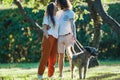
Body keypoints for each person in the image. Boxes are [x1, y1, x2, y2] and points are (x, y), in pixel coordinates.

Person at [37, 2, 59, 79]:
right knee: (45, 57)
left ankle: (51, 75)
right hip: (49, 37)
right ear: (51, 8)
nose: (56, 7)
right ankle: (40, 74)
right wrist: (47, 37)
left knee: (53, 58)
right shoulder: (47, 16)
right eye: (55, 7)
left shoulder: (58, 17)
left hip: (56, 39)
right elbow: (44, 28)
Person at [56, 0, 76, 78]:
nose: (56, 4)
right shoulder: (58, 13)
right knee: (61, 56)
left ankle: (72, 73)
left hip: (69, 36)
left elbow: (72, 25)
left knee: (71, 56)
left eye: (57, 3)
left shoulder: (71, 13)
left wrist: (74, 35)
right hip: (60, 37)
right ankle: (60, 74)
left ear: (62, 3)